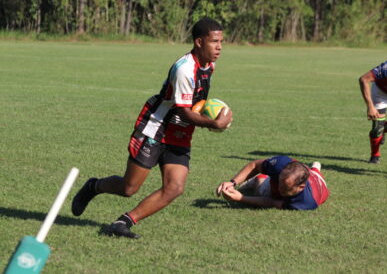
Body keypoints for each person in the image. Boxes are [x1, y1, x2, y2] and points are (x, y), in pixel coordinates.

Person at [71, 18, 233, 239]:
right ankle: (94, 186)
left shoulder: (209, 66)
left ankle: (122, 223)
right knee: (129, 188)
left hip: (180, 132)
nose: (219, 47)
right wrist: (213, 123)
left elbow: (195, 105)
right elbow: (184, 112)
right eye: (214, 42)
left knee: (175, 187)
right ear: (198, 42)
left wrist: (207, 113)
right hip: (155, 127)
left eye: (221, 41)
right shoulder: (185, 69)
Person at [216, 155, 329, 210]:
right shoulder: (280, 164)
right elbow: (254, 165)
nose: (280, 189)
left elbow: (272, 202)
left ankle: (259, 179)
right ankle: (315, 168)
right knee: (310, 171)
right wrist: (232, 182)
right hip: (307, 172)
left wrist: (241, 198)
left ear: (301, 187)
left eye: (285, 188)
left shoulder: (305, 202)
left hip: (319, 184)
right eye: (279, 183)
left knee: (262, 190)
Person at [359, 57, 387, 163]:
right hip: (381, 92)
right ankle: (375, 155)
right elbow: (364, 79)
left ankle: (386, 127)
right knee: (377, 128)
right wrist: (370, 107)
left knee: (381, 126)